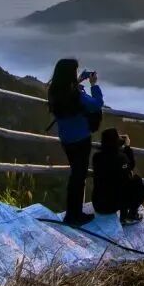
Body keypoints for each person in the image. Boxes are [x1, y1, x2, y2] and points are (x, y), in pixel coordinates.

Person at [47, 59, 104, 226]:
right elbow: (97, 104)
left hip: (66, 139)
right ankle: (74, 215)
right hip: (81, 140)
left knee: (76, 175)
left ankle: (73, 213)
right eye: (75, 71)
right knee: (78, 178)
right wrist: (93, 85)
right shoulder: (76, 96)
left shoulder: (54, 91)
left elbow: (67, 91)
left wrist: (79, 80)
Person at [92, 127, 144, 225]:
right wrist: (127, 146)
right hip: (111, 206)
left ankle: (126, 216)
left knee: (120, 181)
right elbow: (131, 165)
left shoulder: (96, 157)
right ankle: (130, 216)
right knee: (136, 181)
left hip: (98, 203)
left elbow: (111, 157)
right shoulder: (121, 158)